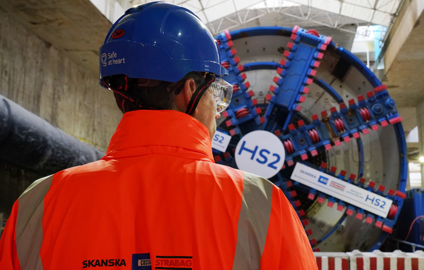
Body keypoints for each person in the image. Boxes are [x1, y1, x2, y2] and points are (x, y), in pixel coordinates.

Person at [0, 2, 317, 269]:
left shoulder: (37, 204)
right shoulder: (261, 205)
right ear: (190, 90)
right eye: (217, 93)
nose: (219, 110)